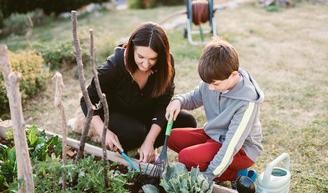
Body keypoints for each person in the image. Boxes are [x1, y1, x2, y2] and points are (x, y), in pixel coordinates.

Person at [80, 22, 197, 163]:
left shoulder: (166, 64)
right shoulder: (113, 67)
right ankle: (133, 144)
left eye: (153, 59)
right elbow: (87, 99)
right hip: (118, 115)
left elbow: (163, 104)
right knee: (135, 132)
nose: (146, 64)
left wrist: (150, 141)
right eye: (140, 57)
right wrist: (103, 131)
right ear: (131, 49)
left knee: (187, 122)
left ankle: (145, 147)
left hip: (146, 113)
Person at [165, 37, 264, 182]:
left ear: (233, 76)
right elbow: (194, 98)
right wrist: (178, 101)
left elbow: (231, 145)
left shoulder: (247, 102)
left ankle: (237, 174)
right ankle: (210, 159)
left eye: (215, 84)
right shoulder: (214, 78)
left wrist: (208, 176)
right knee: (171, 137)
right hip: (214, 136)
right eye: (208, 83)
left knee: (186, 157)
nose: (210, 88)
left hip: (241, 150)